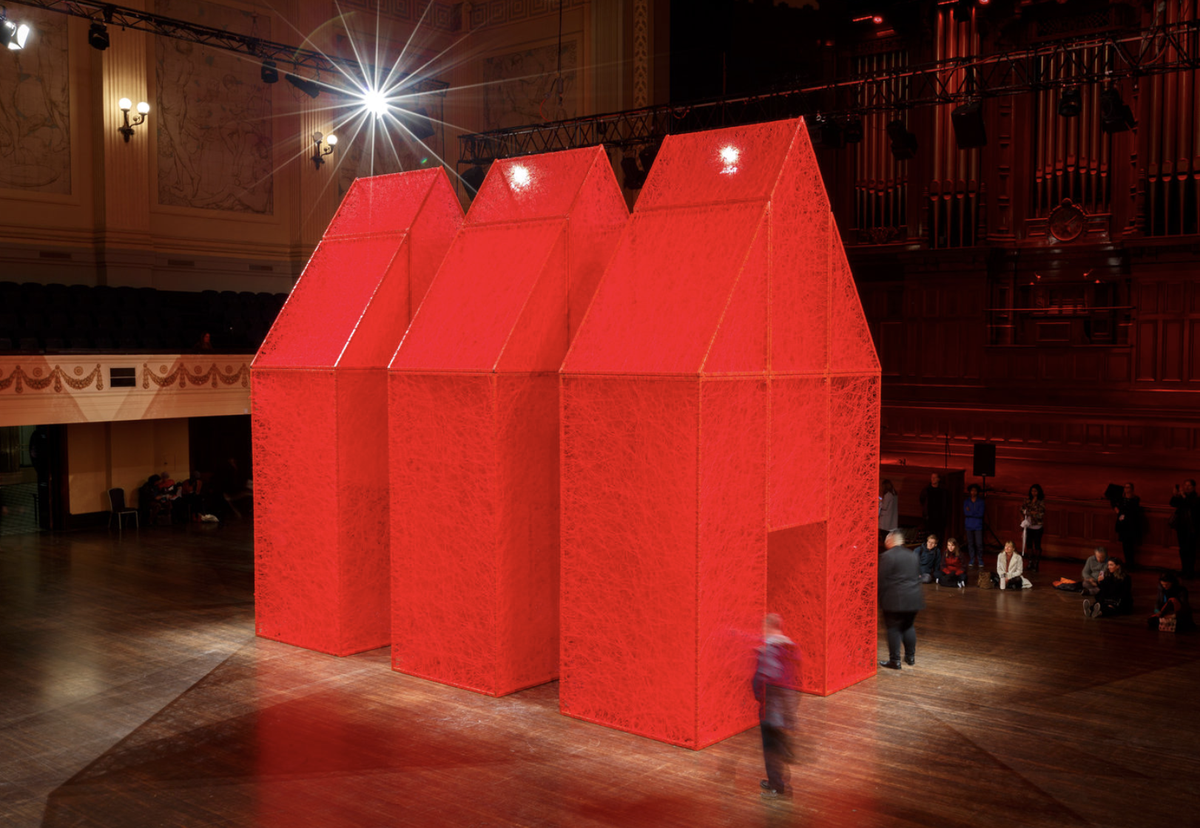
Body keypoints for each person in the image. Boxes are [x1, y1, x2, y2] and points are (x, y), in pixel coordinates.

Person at [753, 613, 797, 799]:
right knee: (778, 747)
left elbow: (763, 679)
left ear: (770, 627)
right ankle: (777, 782)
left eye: (764, 626)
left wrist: (760, 698)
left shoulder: (769, 651)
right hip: (786, 707)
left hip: (772, 710)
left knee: (771, 751)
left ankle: (778, 788)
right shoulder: (790, 648)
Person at [878, 529, 925, 670]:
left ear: (891, 540)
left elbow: (882, 580)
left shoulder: (887, 556)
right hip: (914, 598)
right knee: (908, 626)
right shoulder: (912, 555)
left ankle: (895, 661)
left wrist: (880, 599)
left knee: (893, 629)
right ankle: (910, 657)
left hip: (894, 600)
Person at [1169, 480, 1198, 579]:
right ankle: (1184, 569)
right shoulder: (1182, 497)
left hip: (1192, 528)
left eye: (1189, 485)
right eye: (1185, 485)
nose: (1187, 487)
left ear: (1194, 487)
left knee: (1191, 550)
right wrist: (1175, 495)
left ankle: (1190, 571)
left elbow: (1192, 505)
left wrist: (1183, 496)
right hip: (1181, 527)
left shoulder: (1196, 497)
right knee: (1183, 550)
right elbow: (1172, 503)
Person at [1113, 483, 1142, 566]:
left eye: (1128, 487)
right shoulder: (1121, 499)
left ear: (1132, 489)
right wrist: (1117, 511)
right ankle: (1127, 562)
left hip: (1131, 524)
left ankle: (1131, 563)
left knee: (1131, 545)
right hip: (1123, 525)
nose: (1126, 489)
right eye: (1125, 487)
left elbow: (1132, 511)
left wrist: (1122, 512)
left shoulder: (1135, 499)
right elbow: (1114, 504)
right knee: (1125, 545)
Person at [1020, 484, 1046, 572]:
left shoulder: (1041, 501)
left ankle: (1036, 564)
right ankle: (1030, 562)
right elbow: (1022, 510)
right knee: (1029, 544)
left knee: (1037, 545)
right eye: (1032, 491)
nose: (1033, 493)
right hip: (1028, 526)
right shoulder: (1027, 500)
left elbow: (1040, 514)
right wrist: (1027, 513)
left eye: (1035, 491)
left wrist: (1030, 512)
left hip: (1037, 526)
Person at [919, 473, 947, 542]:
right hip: (929, 517)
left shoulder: (942, 491)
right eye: (932, 478)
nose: (933, 479)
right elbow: (922, 500)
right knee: (928, 535)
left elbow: (945, 503)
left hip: (939, 517)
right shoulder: (926, 490)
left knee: (939, 536)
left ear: (938, 479)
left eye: (935, 478)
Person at [963, 485, 985, 567]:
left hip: (978, 525)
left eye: (975, 491)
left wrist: (971, 512)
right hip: (968, 524)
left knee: (979, 543)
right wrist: (974, 512)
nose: (973, 492)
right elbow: (966, 513)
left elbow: (981, 514)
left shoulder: (981, 502)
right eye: (972, 490)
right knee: (970, 543)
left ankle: (980, 559)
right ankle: (972, 559)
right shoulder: (966, 501)